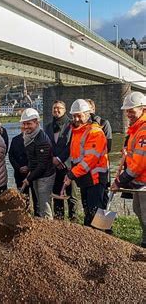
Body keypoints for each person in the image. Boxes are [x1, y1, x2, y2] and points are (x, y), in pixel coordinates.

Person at [64, 99, 109, 227]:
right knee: (88, 213)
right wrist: (72, 173)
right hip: (84, 178)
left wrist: (72, 174)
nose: (76, 119)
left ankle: (104, 238)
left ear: (88, 114)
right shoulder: (77, 132)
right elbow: (76, 158)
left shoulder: (94, 132)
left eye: (80, 115)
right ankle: (94, 237)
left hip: (95, 179)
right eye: (74, 116)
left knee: (96, 213)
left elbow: (90, 160)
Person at [112, 91, 146, 247]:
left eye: (131, 110)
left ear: (142, 109)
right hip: (138, 180)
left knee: (145, 213)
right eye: (127, 110)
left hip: (144, 180)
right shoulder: (136, 128)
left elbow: (139, 163)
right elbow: (134, 155)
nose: (128, 114)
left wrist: (120, 181)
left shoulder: (144, 130)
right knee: (138, 210)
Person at [44, 100, 79, 221]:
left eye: (59, 108)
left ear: (65, 110)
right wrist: (53, 159)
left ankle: (73, 220)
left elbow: (72, 145)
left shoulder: (72, 125)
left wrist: (60, 159)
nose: (56, 110)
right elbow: (46, 146)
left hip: (68, 166)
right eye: (54, 108)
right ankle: (59, 220)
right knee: (56, 194)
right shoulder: (48, 127)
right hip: (54, 167)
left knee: (72, 195)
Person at [20, 108, 56, 219]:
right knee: (39, 203)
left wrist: (29, 178)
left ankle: (49, 225)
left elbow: (42, 165)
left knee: (45, 203)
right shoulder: (30, 137)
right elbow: (33, 159)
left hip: (45, 175)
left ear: (36, 122)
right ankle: (42, 227)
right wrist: (30, 170)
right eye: (24, 124)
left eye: (29, 124)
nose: (26, 127)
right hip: (37, 173)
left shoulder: (42, 140)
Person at [8, 126, 38, 215]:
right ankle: (25, 215)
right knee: (23, 198)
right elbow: (11, 156)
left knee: (36, 196)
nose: (25, 129)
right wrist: (18, 168)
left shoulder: (35, 139)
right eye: (23, 127)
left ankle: (37, 216)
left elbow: (36, 156)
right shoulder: (15, 140)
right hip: (19, 174)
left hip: (33, 173)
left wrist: (28, 167)